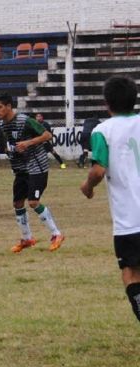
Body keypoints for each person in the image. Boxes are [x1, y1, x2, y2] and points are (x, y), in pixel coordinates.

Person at [80, 76, 140, 323]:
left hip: (130, 220)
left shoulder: (102, 131)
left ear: (107, 103)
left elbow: (98, 170)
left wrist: (87, 186)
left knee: (131, 274)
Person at [0, 93, 64, 253]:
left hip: (37, 167)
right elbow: (12, 145)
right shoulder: (3, 126)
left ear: (9, 106)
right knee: (17, 203)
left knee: (33, 202)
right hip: (21, 169)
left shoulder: (25, 121)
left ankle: (56, 234)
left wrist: (28, 143)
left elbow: (47, 135)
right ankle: (27, 238)